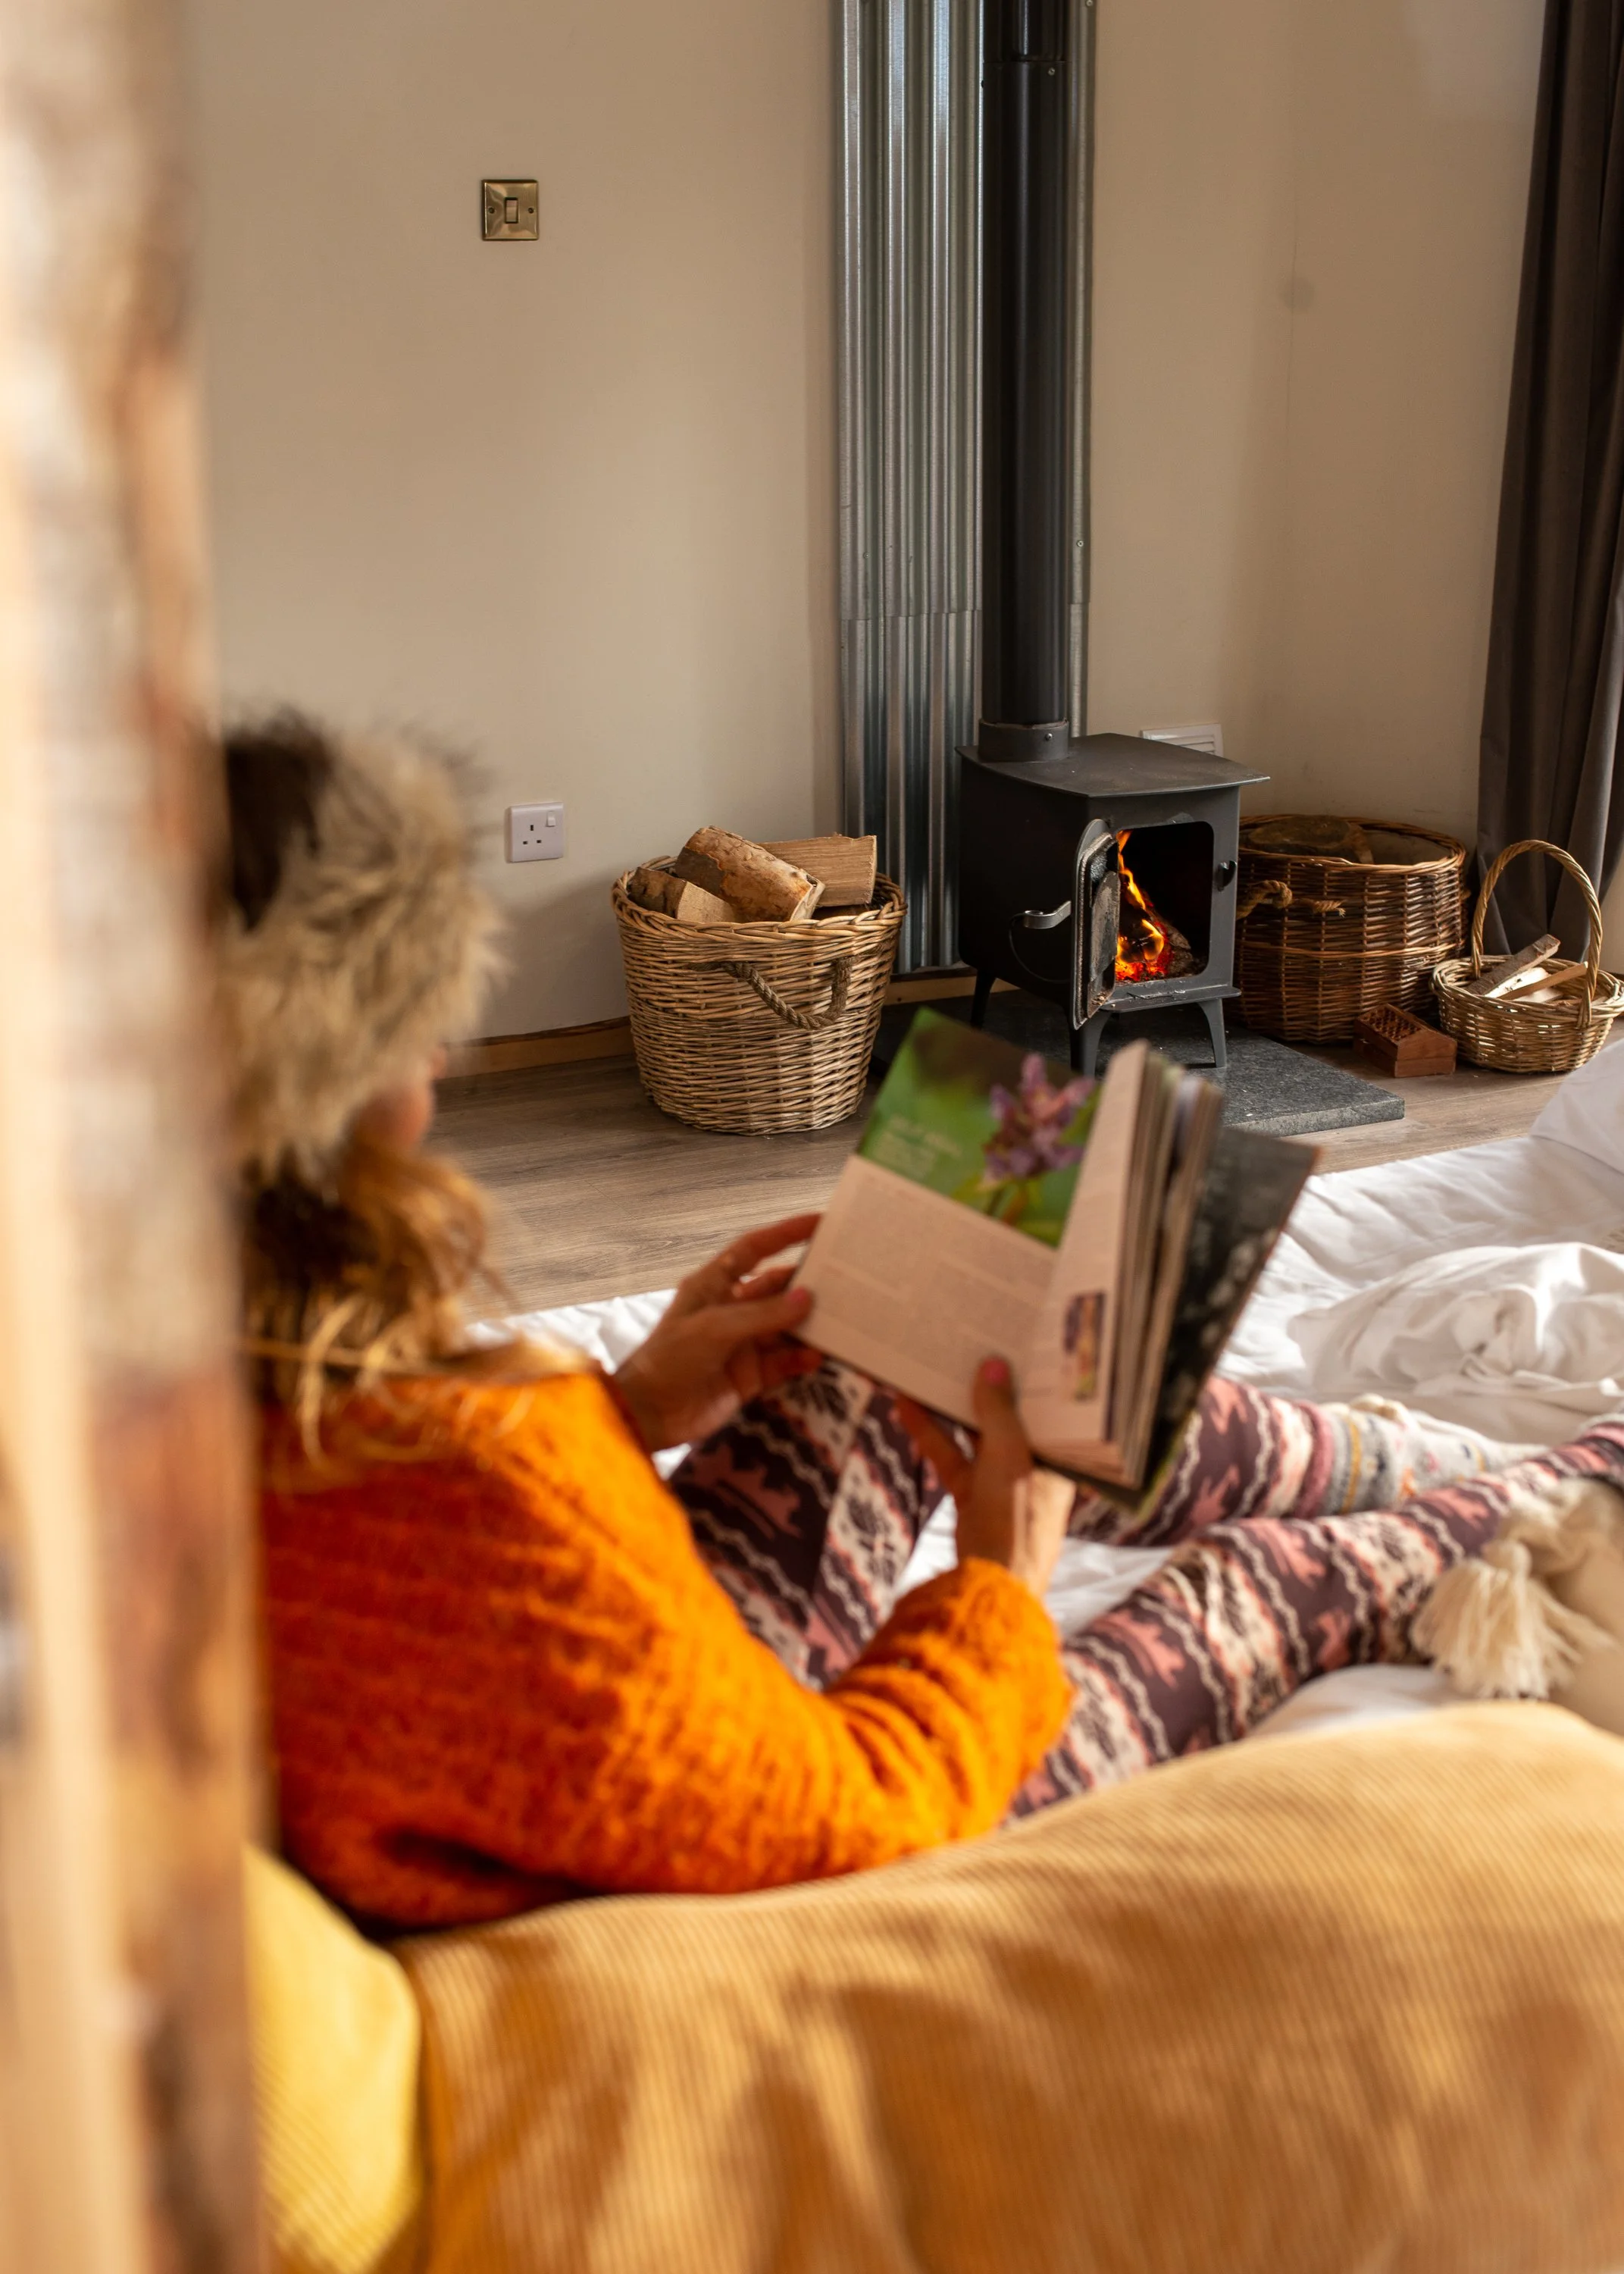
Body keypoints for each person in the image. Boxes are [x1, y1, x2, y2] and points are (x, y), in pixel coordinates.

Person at [226, 714, 1624, 1930]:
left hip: (637, 1708)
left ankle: (1387, 1463)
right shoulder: (455, 1504)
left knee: (906, 1319)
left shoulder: (229, 1381)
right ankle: (1559, 1491)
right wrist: (1003, 1583)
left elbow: (501, 1611)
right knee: (1235, 1591)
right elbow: (854, 1813)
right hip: (821, 1829)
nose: (440, 1059)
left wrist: (635, 1405)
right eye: (414, 1025)